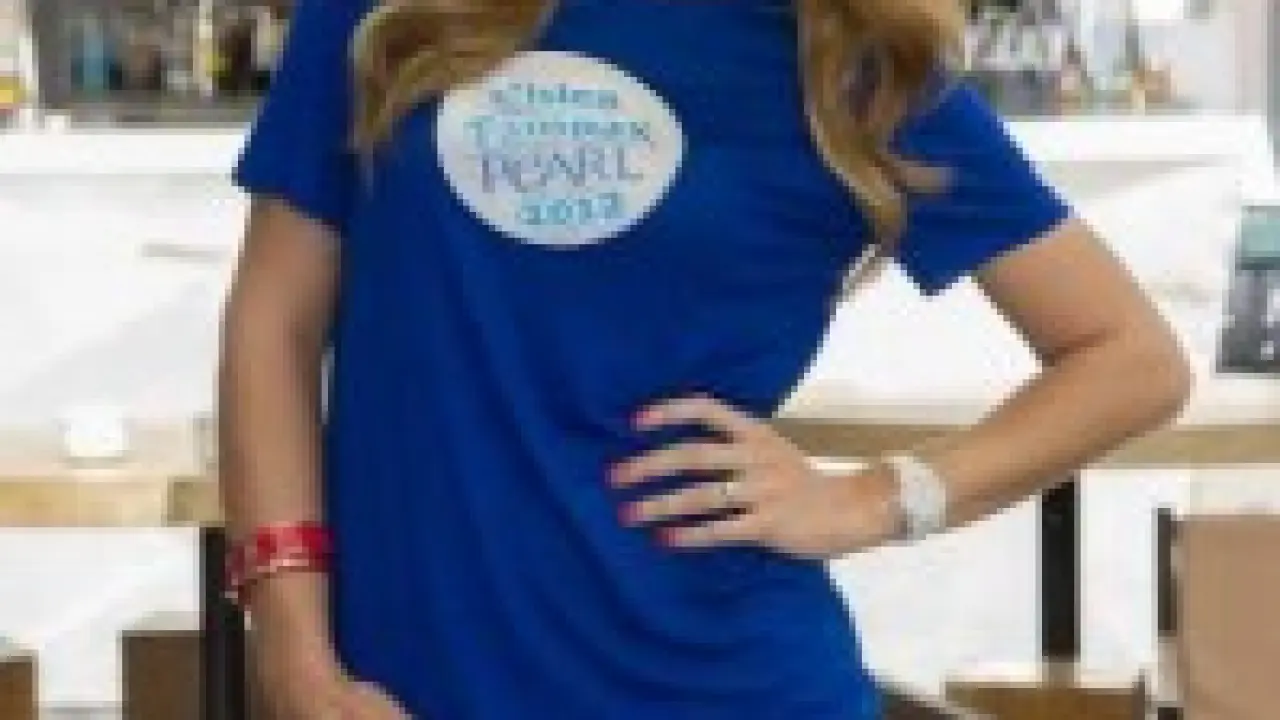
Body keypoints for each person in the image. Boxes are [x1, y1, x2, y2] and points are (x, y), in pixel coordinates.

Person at [217, 0, 1194, 717]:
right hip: (407, 690)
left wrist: (874, 499)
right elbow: (274, 324)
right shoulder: (393, 19)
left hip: (720, 678)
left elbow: (1131, 358)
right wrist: (293, 645)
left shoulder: (850, 61)